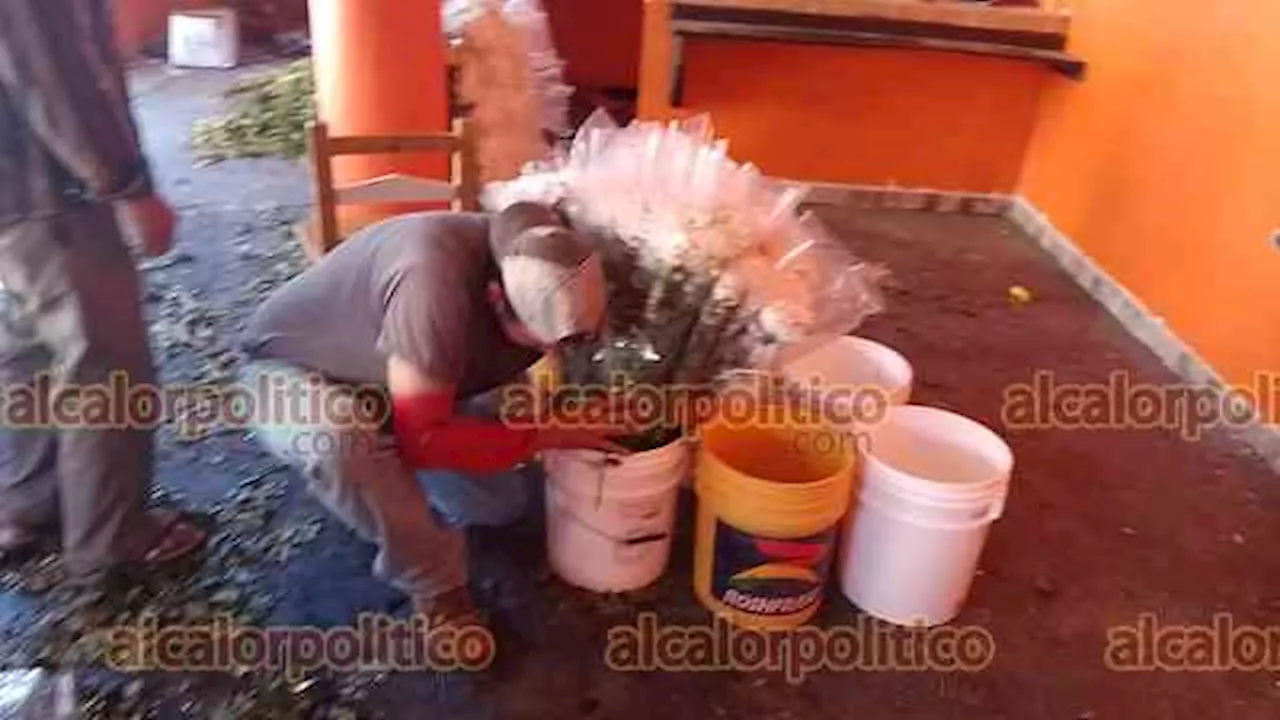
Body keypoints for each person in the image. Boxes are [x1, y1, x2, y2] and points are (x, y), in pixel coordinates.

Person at [237, 202, 629, 630]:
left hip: (400, 380)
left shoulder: (553, 253)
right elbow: (424, 442)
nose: (554, 353)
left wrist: (552, 421)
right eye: (545, 342)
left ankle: (391, 460)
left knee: (498, 506)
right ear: (496, 298)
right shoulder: (432, 287)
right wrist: (547, 435)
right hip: (287, 374)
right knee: (343, 443)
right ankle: (437, 588)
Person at [0, 0, 207, 580]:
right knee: (104, 364)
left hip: (11, 197)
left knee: (29, 346)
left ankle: (32, 504)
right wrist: (128, 186)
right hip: (53, 195)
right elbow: (57, 78)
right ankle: (113, 541)